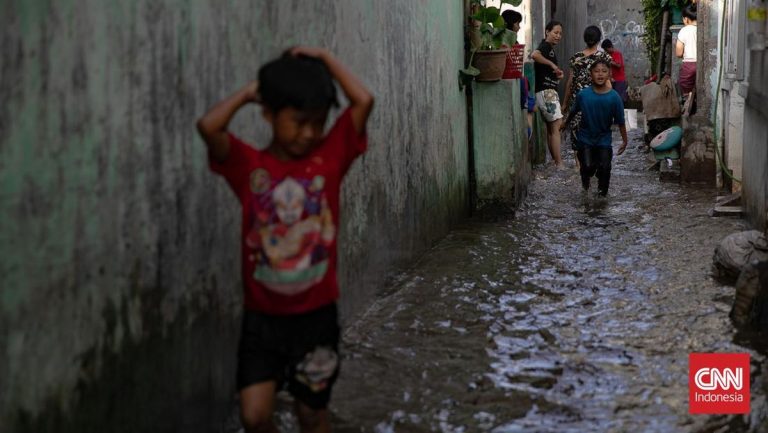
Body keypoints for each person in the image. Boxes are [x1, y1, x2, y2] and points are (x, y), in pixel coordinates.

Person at [196, 47, 374, 433]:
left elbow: (363, 100)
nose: (309, 133)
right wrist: (249, 92)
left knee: (311, 415)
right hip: (262, 322)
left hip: (316, 320)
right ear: (269, 114)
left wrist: (325, 57)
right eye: (298, 122)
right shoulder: (250, 167)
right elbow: (209, 127)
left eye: (318, 123)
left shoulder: (329, 159)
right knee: (254, 416)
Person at [561, 59, 627, 198]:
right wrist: (565, 123)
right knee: (587, 166)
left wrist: (624, 141)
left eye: (604, 71)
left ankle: (602, 198)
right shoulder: (583, 95)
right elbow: (573, 111)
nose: (600, 74)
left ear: (609, 74)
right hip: (585, 138)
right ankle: (585, 186)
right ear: (590, 74)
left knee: (605, 168)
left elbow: (621, 122)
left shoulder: (614, 97)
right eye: (596, 71)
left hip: (604, 139)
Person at [561, 26, 614, 158]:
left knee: (577, 137)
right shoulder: (604, 57)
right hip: (598, 103)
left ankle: (579, 166)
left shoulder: (575, 58)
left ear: (585, 39)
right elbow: (607, 81)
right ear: (599, 39)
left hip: (578, 104)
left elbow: (570, 83)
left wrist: (565, 104)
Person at [532, 20, 565, 167]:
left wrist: (556, 73)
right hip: (546, 92)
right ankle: (559, 163)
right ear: (547, 32)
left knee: (552, 128)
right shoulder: (545, 46)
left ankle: (555, 162)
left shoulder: (549, 48)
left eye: (560, 34)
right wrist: (552, 64)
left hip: (547, 91)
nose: (558, 36)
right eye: (555, 32)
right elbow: (534, 55)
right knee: (557, 125)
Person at [502, 9, 535, 138]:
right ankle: (528, 130)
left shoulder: (511, 40)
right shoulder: (504, 40)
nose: (519, 27)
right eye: (517, 23)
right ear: (511, 23)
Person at [676, 4, 697, 96]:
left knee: (686, 89)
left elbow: (678, 53)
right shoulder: (703, 30)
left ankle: (688, 99)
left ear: (686, 19)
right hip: (703, 64)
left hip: (689, 65)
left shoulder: (684, 31)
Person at [601, 39, 628, 103]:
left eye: (606, 49)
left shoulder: (617, 53)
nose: (605, 51)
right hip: (612, 80)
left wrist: (609, 61)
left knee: (619, 99)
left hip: (619, 80)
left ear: (609, 47)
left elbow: (619, 65)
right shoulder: (609, 55)